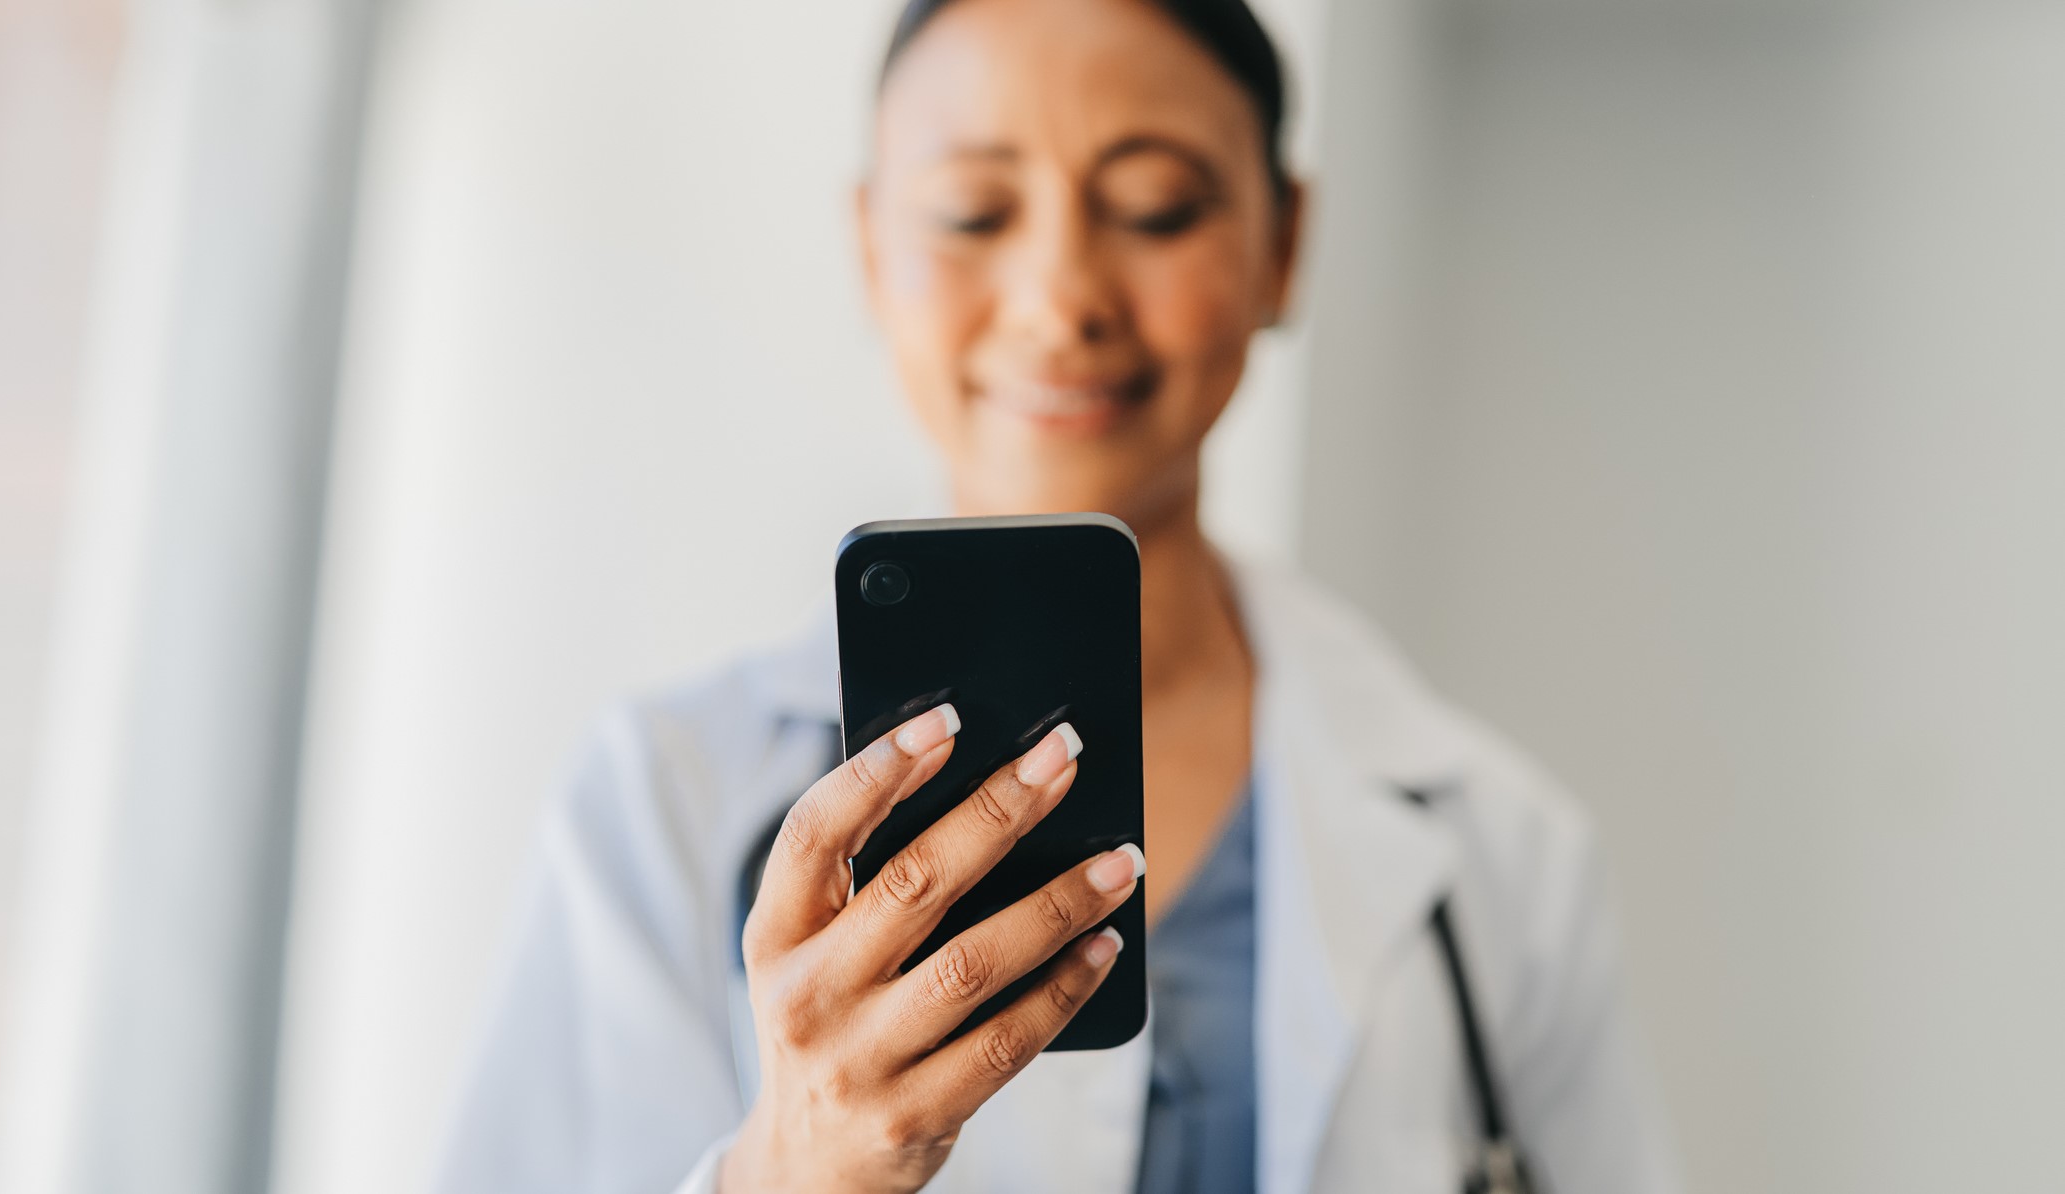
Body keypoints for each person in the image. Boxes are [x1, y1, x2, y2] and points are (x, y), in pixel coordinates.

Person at [433, 0, 1681, 1191]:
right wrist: (791, 1176)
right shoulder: (666, 798)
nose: (1059, 301)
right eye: (974, 214)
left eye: (1154, 208)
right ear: (872, 249)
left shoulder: (1502, 854)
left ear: (1283, 245)